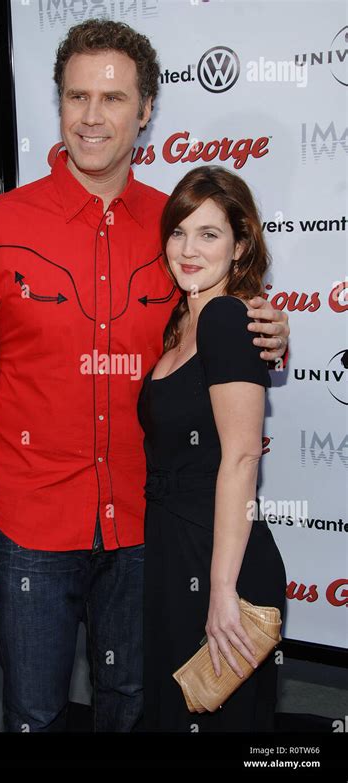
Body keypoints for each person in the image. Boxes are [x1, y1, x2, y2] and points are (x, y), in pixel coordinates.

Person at [0, 19, 289, 733]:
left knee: (132, 706)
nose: (92, 117)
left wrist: (269, 327)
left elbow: (222, 315)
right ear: (58, 102)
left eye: (114, 98)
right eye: (76, 96)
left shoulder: (174, 229)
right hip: (29, 522)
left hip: (140, 526)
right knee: (33, 710)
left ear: (147, 108)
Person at [137, 165, 287, 732]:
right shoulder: (181, 321)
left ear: (241, 243)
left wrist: (222, 592)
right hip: (173, 550)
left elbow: (243, 456)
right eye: (179, 231)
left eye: (209, 234)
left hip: (216, 555)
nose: (188, 249)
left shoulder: (226, 318)